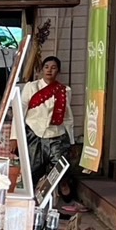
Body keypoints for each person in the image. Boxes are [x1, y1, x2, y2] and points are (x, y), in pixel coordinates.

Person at [22, 55, 76, 185]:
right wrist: (15, 137)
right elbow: (21, 112)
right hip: (35, 134)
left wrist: (72, 141)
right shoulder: (31, 87)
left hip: (57, 134)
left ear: (58, 71)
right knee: (33, 170)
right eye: (46, 67)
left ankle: (55, 195)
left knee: (59, 170)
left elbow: (67, 117)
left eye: (53, 68)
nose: (49, 70)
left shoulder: (65, 90)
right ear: (41, 69)